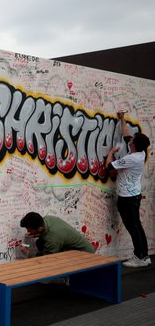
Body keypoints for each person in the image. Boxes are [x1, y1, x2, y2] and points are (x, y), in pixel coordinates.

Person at [105, 111, 151, 268]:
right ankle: (144, 256)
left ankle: (140, 257)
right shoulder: (141, 153)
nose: (129, 141)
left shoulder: (131, 158)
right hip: (134, 197)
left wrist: (111, 153)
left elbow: (109, 167)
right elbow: (127, 135)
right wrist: (122, 119)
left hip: (127, 199)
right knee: (137, 226)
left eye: (132, 141)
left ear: (135, 145)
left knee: (133, 227)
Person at [19, 212, 94, 256]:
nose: (28, 232)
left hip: (86, 254)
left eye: (30, 230)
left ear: (39, 228)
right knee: (40, 242)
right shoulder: (47, 219)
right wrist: (38, 234)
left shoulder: (53, 239)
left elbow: (47, 259)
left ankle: (60, 281)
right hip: (71, 248)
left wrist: (27, 253)